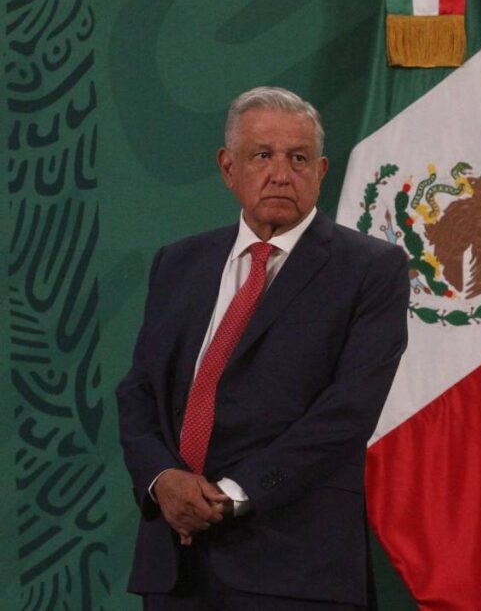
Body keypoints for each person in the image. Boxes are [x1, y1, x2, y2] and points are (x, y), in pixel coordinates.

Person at [117, 87, 409, 610]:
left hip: (295, 567)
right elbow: (139, 391)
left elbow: (348, 411)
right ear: (228, 168)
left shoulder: (369, 269)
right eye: (262, 155)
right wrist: (163, 481)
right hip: (176, 565)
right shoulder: (178, 263)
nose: (281, 173)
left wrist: (233, 495)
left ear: (320, 170)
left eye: (298, 158)